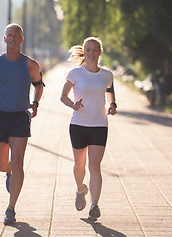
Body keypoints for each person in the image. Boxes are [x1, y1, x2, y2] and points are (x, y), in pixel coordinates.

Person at [0, 23, 44, 225]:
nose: (13, 39)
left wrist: (35, 103)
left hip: (19, 118)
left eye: (16, 36)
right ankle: (7, 172)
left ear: (21, 39)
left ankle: (11, 208)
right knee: (1, 165)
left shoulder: (30, 65)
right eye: (9, 36)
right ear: (5, 39)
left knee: (18, 163)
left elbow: (39, 85)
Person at [60, 37, 117, 221]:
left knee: (95, 166)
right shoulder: (75, 73)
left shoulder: (107, 75)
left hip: (99, 125)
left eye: (95, 50)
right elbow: (63, 96)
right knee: (79, 165)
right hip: (78, 125)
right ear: (84, 53)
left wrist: (113, 105)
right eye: (88, 50)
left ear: (100, 52)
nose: (91, 54)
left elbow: (109, 91)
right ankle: (80, 190)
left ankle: (94, 205)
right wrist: (73, 105)